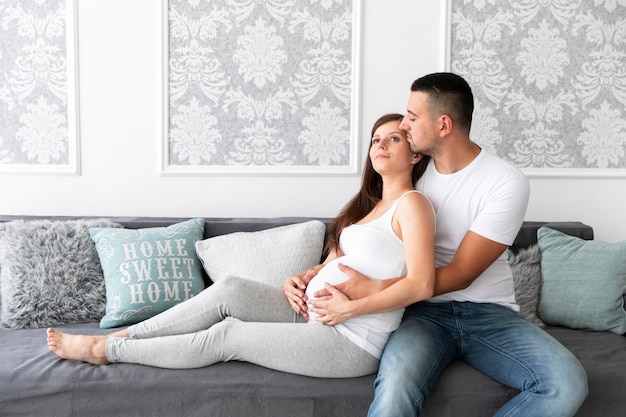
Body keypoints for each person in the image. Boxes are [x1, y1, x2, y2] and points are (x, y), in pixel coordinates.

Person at [47, 113, 436, 379]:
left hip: (349, 339)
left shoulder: (413, 205)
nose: (380, 145)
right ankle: (123, 336)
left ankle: (104, 351)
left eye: (394, 138)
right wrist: (299, 278)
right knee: (231, 288)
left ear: (415, 153)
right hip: (310, 312)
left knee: (229, 335)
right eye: (375, 140)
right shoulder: (365, 208)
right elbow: (335, 264)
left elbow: (421, 284)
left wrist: (352, 306)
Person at [303, 73, 588, 415]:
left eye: (412, 116)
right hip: (419, 314)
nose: (404, 125)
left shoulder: (504, 182)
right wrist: (312, 273)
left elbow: (463, 272)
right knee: (395, 393)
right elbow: (363, 233)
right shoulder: (412, 172)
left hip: (488, 313)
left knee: (567, 383)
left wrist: (375, 288)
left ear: (443, 125)